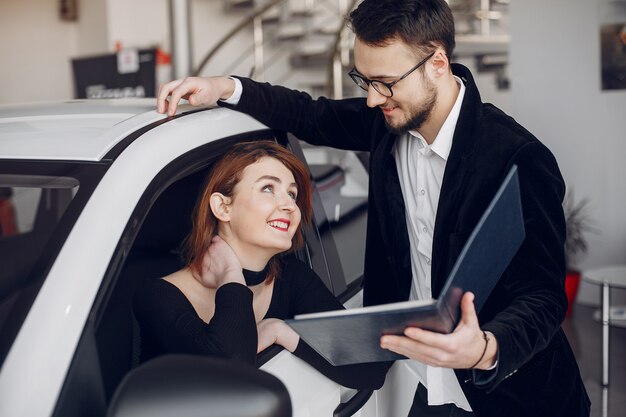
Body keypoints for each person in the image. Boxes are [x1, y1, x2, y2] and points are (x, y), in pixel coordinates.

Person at [155, 1, 590, 416]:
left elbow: (544, 296)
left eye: (385, 83)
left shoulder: (518, 157)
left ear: (437, 64)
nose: (372, 99)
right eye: (364, 81)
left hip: (511, 397)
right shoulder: (389, 119)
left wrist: (485, 348)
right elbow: (310, 115)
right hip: (425, 385)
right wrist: (225, 88)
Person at [133, 140, 388, 390]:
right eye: (268, 188)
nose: (290, 205)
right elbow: (231, 375)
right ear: (223, 207)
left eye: (292, 193)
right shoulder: (158, 296)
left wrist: (282, 330)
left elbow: (371, 370)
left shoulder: (293, 279)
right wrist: (231, 274)